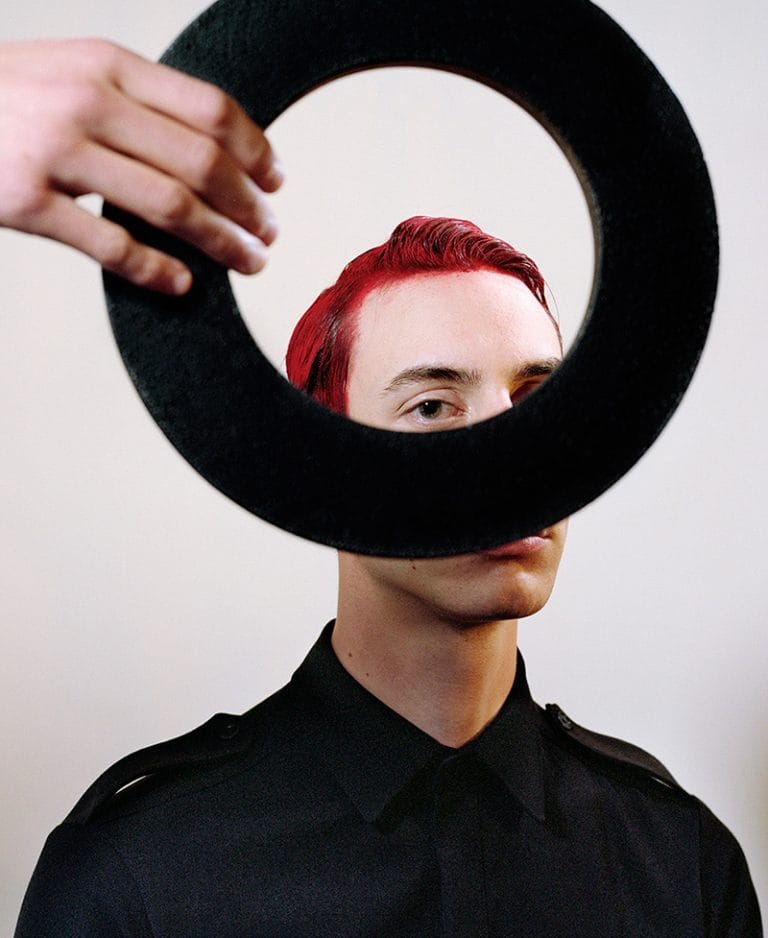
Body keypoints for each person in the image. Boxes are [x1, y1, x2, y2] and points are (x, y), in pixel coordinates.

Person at [6, 40, 763, 938]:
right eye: (433, 405)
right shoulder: (138, 871)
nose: (514, 455)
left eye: (537, 401)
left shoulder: (681, 863)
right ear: (317, 462)